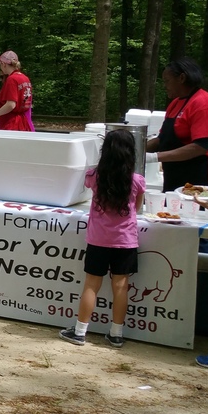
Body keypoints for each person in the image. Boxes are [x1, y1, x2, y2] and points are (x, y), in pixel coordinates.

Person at [60, 130, 142, 347]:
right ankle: (116, 333)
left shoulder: (94, 176)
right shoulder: (137, 181)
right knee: (121, 286)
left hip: (98, 239)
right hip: (125, 240)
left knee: (91, 285)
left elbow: (85, 185)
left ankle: (80, 331)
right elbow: (138, 208)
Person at [144, 57, 208, 191]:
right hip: (174, 175)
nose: (165, 86)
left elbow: (201, 146)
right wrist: (135, 150)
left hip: (198, 177)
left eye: (167, 81)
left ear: (181, 78)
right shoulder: (175, 103)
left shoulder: (203, 103)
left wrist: (154, 157)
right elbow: (161, 140)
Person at [0, 50, 34, 131]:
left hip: (11, 123)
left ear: (3, 64)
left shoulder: (12, 79)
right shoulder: (25, 78)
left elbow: (11, 105)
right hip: (23, 122)